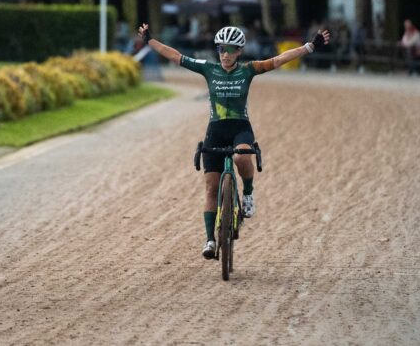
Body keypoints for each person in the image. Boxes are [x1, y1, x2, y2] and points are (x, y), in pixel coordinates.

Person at [138, 23, 331, 259]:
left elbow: (279, 59)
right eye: (221, 49)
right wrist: (149, 40)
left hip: (240, 128)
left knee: (241, 156)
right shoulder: (208, 69)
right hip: (215, 130)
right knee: (210, 187)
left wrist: (310, 46)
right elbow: (176, 56)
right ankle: (210, 240)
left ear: (239, 51)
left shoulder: (248, 70)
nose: (225, 54)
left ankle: (248, 193)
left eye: (230, 49)